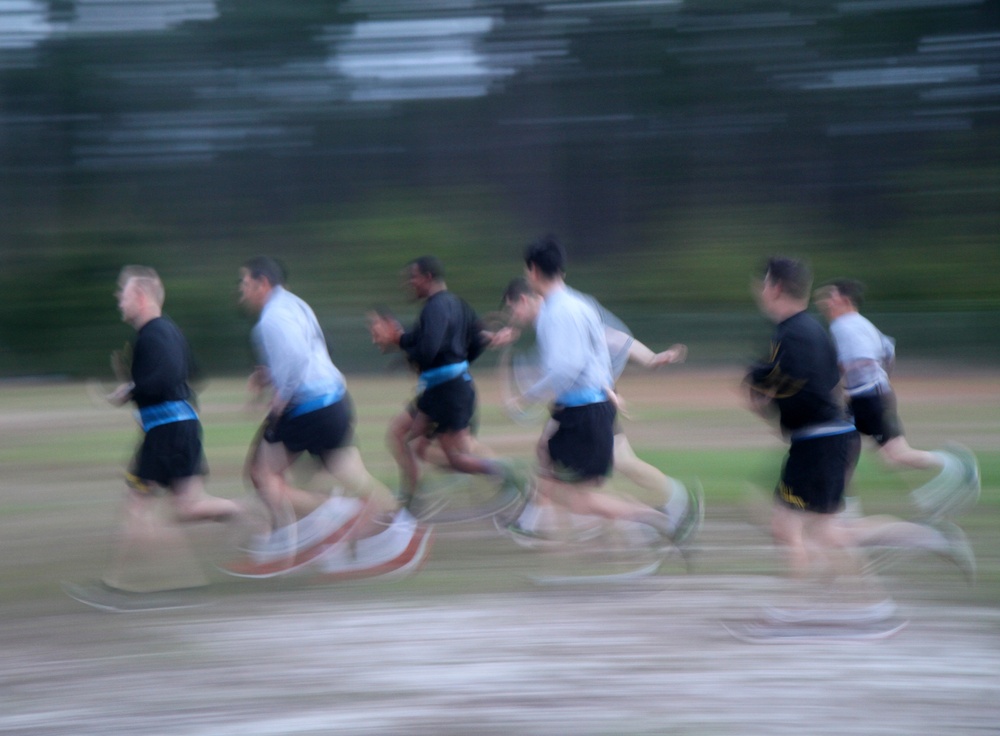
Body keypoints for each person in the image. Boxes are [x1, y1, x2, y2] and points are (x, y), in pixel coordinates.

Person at [744, 258, 974, 624]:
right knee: (828, 530)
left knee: (792, 526)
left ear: (774, 288)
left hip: (819, 443)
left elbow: (796, 386)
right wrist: (765, 388)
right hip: (825, 440)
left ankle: (800, 609)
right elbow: (817, 383)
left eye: (761, 284)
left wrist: (763, 392)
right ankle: (891, 578)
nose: (758, 291)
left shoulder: (793, 334)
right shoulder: (809, 331)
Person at [64, 266, 242, 610]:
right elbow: (194, 376)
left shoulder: (152, 335)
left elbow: (164, 379)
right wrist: (138, 387)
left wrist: (131, 389)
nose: (119, 298)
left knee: (138, 507)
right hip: (180, 428)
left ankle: (125, 587)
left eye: (123, 292)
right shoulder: (170, 331)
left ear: (142, 296)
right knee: (188, 507)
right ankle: (244, 514)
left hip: (166, 432)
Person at [507, 236, 699, 546]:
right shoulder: (581, 303)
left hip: (582, 413)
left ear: (532, 271)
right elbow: (598, 349)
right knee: (547, 454)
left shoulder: (556, 314)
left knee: (580, 498)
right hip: (588, 408)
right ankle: (535, 523)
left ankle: (658, 520)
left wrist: (528, 394)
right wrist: (609, 388)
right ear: (561, 270)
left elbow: (565, 370)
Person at [230, 256, 400, 575]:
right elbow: (318, 350)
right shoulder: (296, 305)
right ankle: (401, 527)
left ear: (263, 283)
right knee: (350, 475)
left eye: (245, 283)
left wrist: (280, 399)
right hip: (335, 404)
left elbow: (295, 358)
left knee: (261, 474)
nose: (241, 290)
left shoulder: (270, 319)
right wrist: (270, 375)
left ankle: (303, 533)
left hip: (306, 408)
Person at [813, 279, 979, 519]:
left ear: (845, 301)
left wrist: (837, 377)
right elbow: (888, 351)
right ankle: (844, 510)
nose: (825, 302)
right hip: (870, 396)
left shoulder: (844, 326)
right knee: (843, 449)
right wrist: (880, 380)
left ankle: (958, 465)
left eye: (831, 297)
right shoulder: (861, 323)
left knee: (894, 456)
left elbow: (864, 358)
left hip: (868, 399)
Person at [369, 256, 520, 513]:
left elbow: (427, 350)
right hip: (443, 388)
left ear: (427, 278)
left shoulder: (435, 308)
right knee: (402, 437)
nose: (410, 283)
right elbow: (474, 343)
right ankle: (412, 499)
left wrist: (399, 339)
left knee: (455, 458)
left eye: (413, 277)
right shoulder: (457, 305)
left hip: (448, 393)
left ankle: (506, 474)